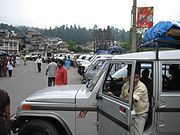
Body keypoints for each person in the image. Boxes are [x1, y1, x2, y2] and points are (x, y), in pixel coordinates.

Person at [120, 69, 149, 135]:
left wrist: (125, 100)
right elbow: (121, 97)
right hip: (129, 111)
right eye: (133, 77)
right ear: (129, 77)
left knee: (138, 133)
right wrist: (112, 96)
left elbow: (131, 100)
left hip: (140, 113)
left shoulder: (141, 87)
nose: (135, 80)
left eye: (137, 77)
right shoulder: (126, 84)